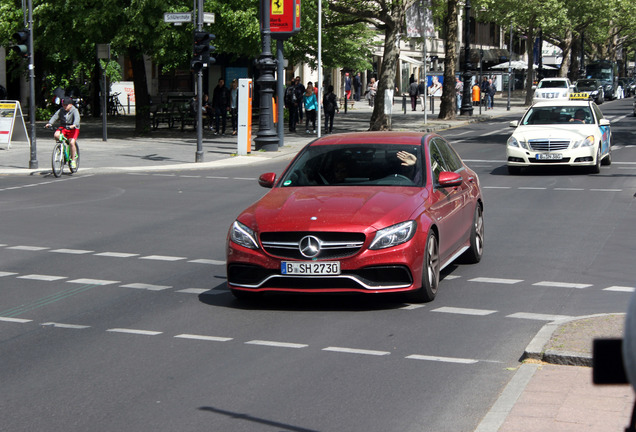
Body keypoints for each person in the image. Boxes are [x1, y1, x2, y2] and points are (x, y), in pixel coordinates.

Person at [46, 97, 80, 169]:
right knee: (56, 135)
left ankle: (73, 160)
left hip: (73, 128)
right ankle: (61, 147)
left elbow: (77, 119)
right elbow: (55, 116)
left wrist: (74, 125)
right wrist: (49, 123)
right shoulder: (61, 110)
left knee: (71, 143)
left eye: (66, 105)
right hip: (63, 127)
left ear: (71, 105)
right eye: (63, 105)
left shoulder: (74, 110)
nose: (64, 106)